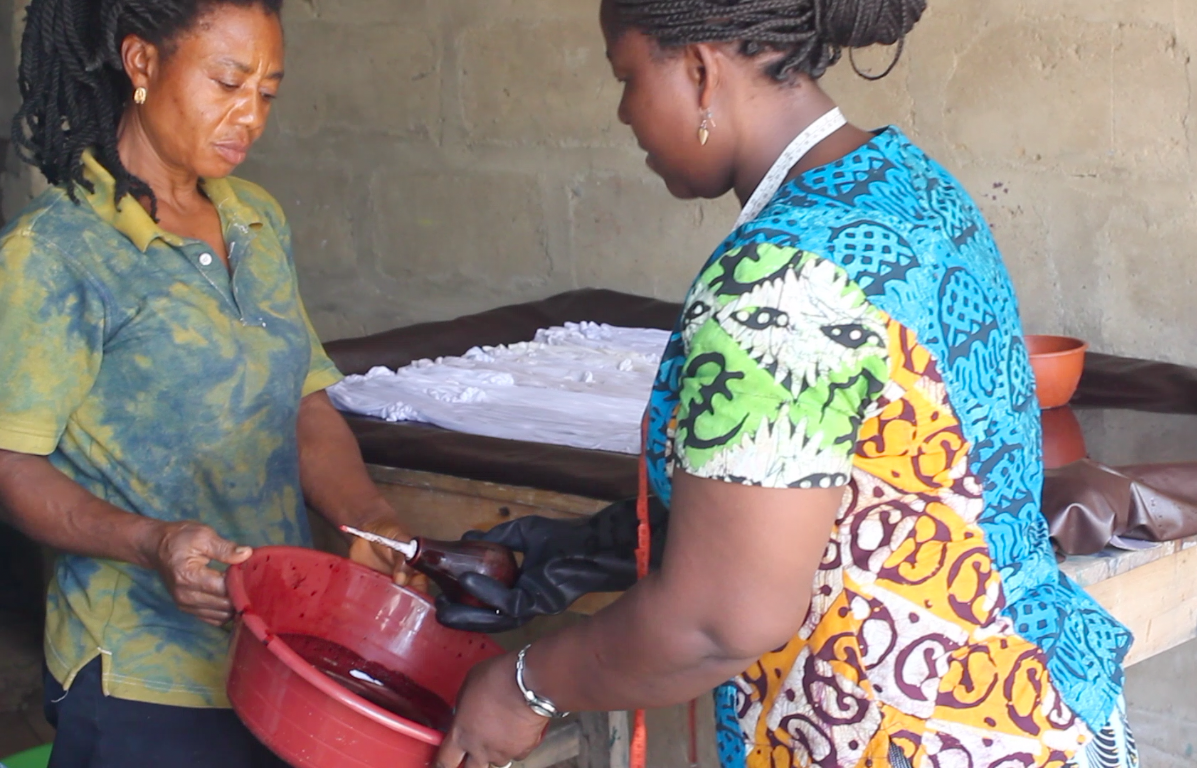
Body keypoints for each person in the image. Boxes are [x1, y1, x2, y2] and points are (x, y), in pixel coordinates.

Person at [433, 1, 1139, 767]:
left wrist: (524, 686)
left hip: (913, 735)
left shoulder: (776, 284)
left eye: (628, 77)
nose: (625, 113)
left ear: (701, 72)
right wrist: (568, 552)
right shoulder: (909, 188)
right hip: (1037, 705)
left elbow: (719, 622)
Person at [0, 0, 420, 765]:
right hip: (141, 676)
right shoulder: (55, 250)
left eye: (266, 93)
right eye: (227, 81)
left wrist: (366, 517)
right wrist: (152, 541)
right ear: (142, 63)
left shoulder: (255, 221)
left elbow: (304, 402)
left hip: (280, 657)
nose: (249, 115)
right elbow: (13, 466)